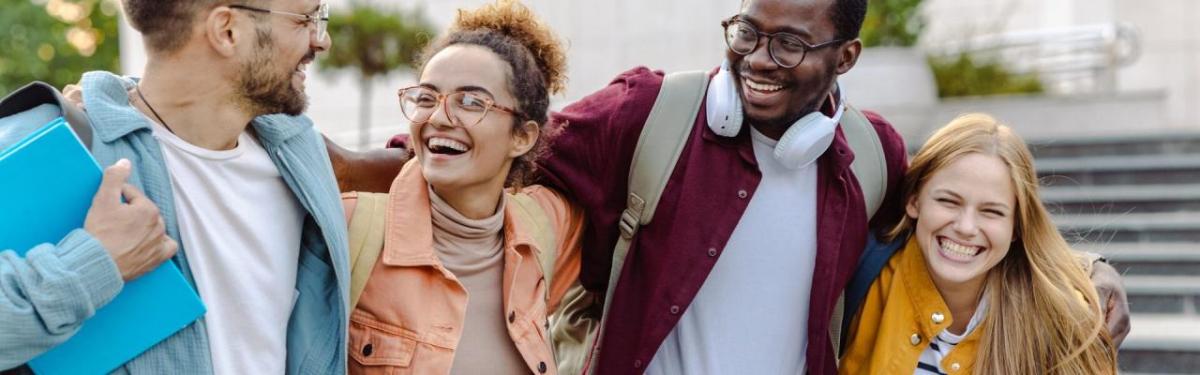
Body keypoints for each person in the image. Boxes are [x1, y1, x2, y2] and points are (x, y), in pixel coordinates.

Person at [329, 0, 1130, 373]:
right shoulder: (654, 112)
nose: (757, 59)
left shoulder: (869, 154)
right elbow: (499, 142)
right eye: (746, 32)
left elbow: (963, 217)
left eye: (790, 43)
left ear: (843, 58)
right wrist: (347, 158)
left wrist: (1090, 274)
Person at [1, 0, 349, 373]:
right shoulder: (54, 145)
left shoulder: (298, 150)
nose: (321, 41)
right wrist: (92, 264)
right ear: (226, 31)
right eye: (307, 19)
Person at [342, 1, 584, 374]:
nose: (439, 117)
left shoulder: (546, 225)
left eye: (471, 102)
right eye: (426, 98)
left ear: (522, 136)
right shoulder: (350, 226)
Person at [838, 114, 1118, 374]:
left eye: (992, 211)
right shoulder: (863, 277)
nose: (965, 227)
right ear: (914, 201)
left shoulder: (1066, 320)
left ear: (1017, 226)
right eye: (948, 201)